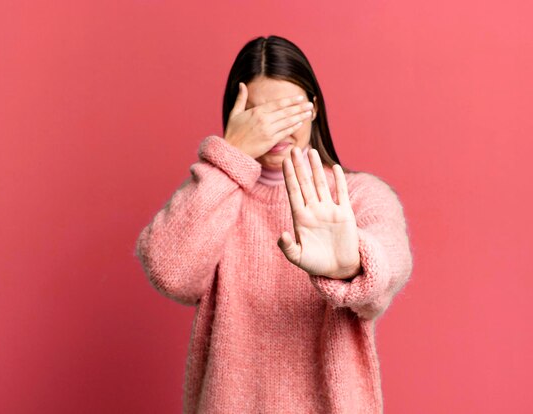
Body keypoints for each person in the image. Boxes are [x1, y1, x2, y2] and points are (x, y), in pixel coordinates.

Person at [134, 35, 414, 413]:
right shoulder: (214, 195)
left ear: (314, 108)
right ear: (236, 118)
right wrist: (228, 157)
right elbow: (171, 271)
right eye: (258, 115)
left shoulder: (359, 194)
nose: (274, 129)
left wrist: (349, 263)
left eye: (288, 110)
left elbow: (391, 260)